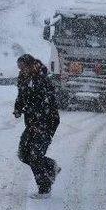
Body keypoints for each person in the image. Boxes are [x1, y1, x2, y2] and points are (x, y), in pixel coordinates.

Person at [13, 54, 61, 198]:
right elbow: (21, 96)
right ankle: (51, 166)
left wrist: (40, 124)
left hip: (46, 123)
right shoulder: (23, 79)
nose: (21, 70)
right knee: (23, 154)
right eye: (19, 68)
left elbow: (47, 104)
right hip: (32, 123)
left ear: (31, 65)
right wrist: (18, 108)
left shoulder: (42, 80)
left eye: (23, 67)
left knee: (35, 155)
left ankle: (44, 189)